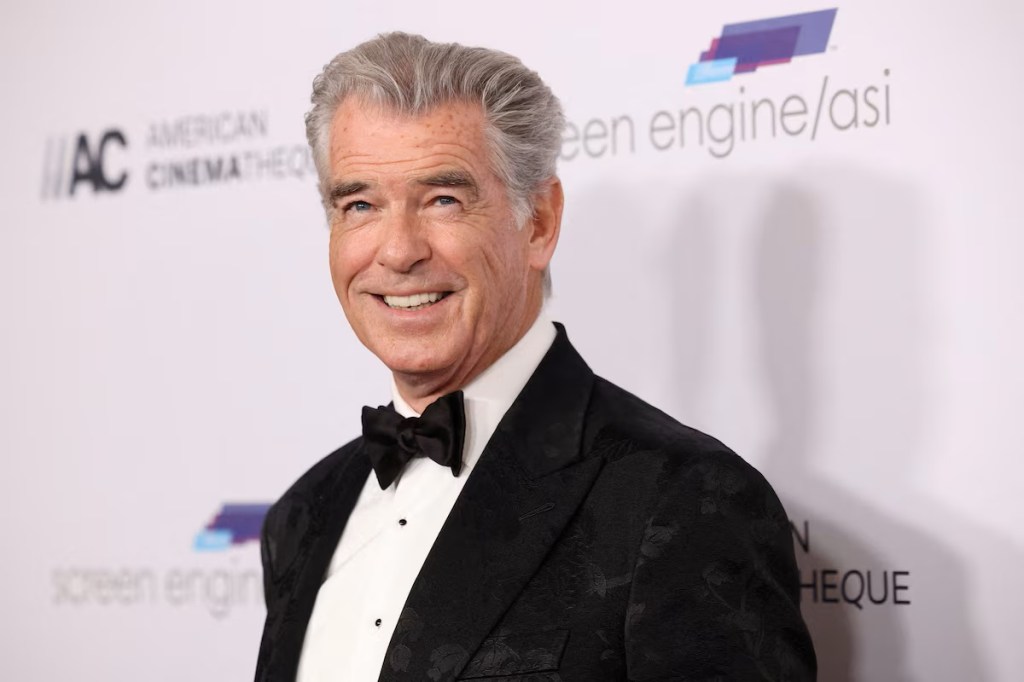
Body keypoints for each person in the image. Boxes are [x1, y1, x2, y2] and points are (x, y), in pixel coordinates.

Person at [255, 32, 816, 682]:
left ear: (540, 223)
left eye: (443, 200)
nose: (399, 250)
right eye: (360, 204)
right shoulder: (303, 514)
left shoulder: (681, 501)